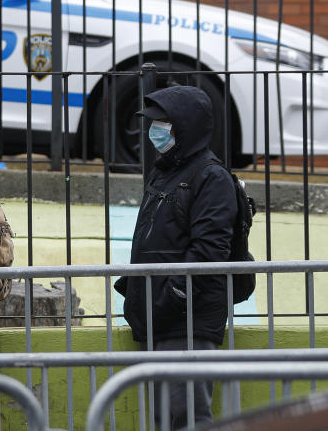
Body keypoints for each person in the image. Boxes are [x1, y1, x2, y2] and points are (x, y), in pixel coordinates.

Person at [116, 85, 237, 429]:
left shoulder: (211, 177)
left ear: (187, 125)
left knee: (186, 418)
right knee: (166, 417)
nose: (156, 129)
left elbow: (209, 252)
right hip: (160, 314)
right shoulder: (166, 170)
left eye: (164, 121)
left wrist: (170, 296)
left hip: (186, 318)